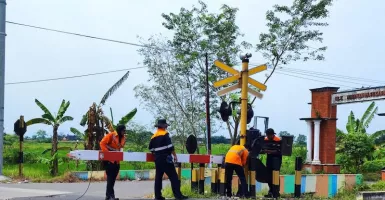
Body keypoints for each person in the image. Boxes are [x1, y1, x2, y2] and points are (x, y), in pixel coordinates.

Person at [149, 119, 188, 200]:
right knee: (174, 177)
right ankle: (178, 195)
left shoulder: (153, 136)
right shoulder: (165, 134)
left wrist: (157, 155)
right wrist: (175, 156)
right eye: (166, 125)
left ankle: (158, 196)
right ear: (164, 126)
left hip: (158, 159)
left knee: (158, 178)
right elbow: (170, 147)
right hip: (166, 158)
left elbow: (151, 149)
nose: (166, 127)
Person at [100, 124, 127, 200]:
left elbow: (120, 148)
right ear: (119, 130)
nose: (124, 132)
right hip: (109, 161)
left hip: (117, 161)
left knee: (112, 180)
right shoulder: (111, 135)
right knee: (110, 179)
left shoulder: (123, 138)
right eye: (123, 130)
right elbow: (102, 143)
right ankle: (110, 196)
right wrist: (108, 154)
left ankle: (109, 196)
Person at [264, 128, 282, 198]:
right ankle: (271, 191)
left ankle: (276, 192)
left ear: (272, 135)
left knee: (276, 175)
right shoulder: (265, 140)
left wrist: (269, 151)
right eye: (267, 135)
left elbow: (280, 151)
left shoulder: (278, 140)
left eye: (269, 135)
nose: (268, 137)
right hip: (269, 159)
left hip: (277, 159)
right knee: (268, 175)